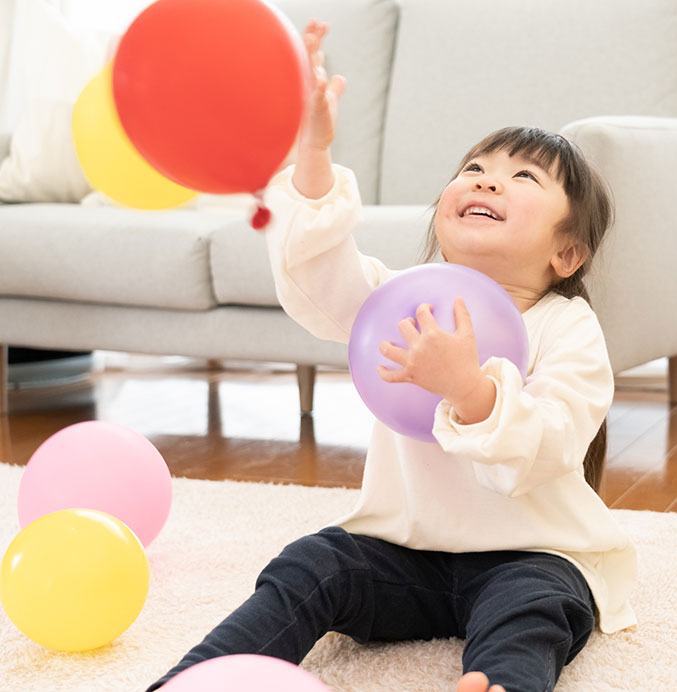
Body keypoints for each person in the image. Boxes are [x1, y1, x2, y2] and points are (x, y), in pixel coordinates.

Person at [147, 19, 637, 692]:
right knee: (311, 564)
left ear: (566, 253)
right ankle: (194, 679)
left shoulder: (568, 328)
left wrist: (471, 390)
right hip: (403, 552)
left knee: (538, 608)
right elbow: (321, 281)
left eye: (522, 177)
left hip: (529, 552)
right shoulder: (400, 298)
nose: (487, 183)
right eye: (474, 170)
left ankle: (500, 684)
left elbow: (553, 440)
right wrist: (314, 152)